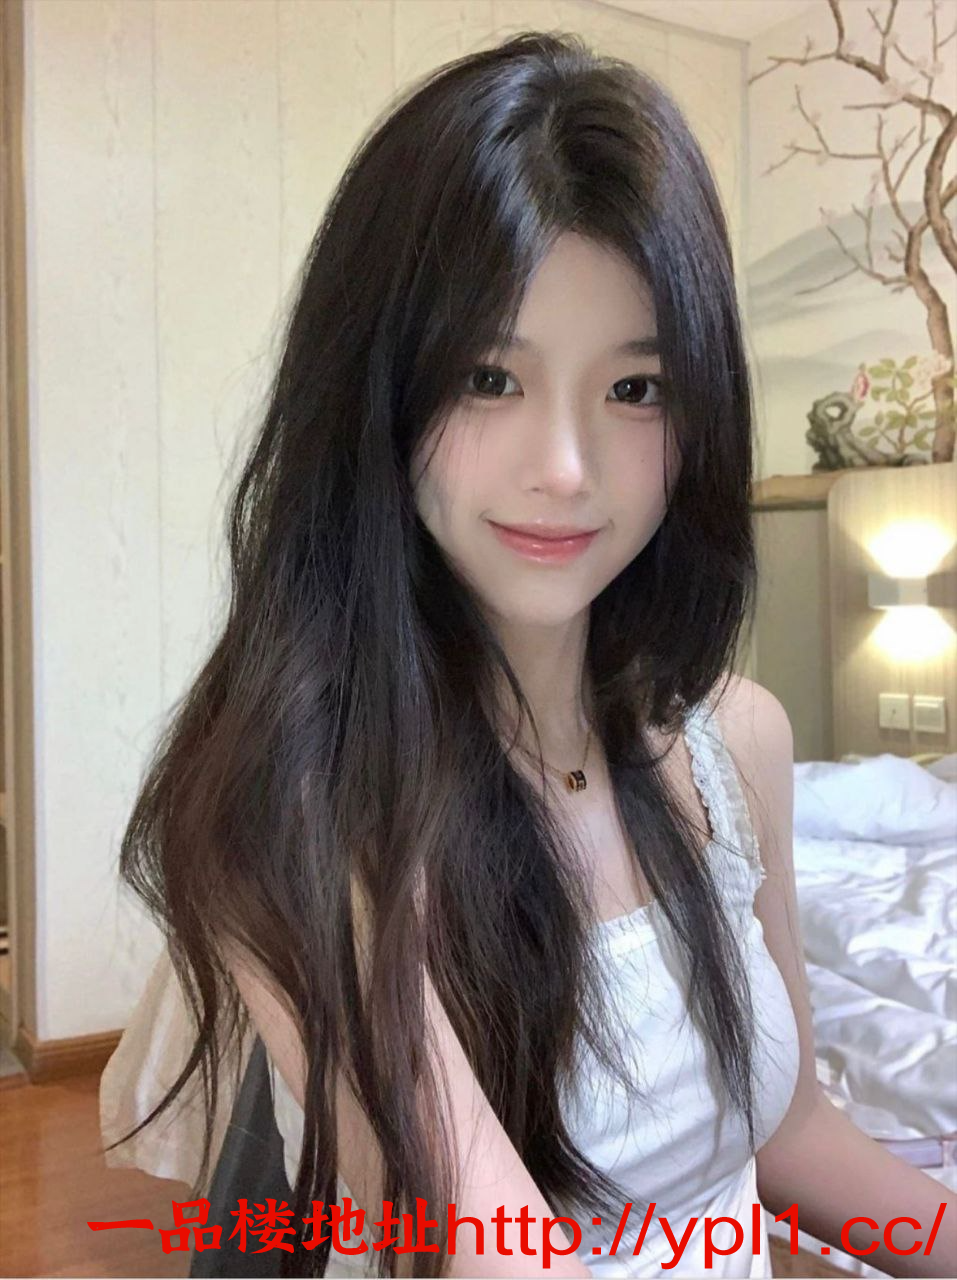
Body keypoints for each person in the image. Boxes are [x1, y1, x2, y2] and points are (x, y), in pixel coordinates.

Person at [98, 28, 957, 1280]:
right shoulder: (305, 808)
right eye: (489, 376)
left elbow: (791, 1137)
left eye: (636, 389)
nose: (565, 466)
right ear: (378, 391)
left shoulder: (737, 742)